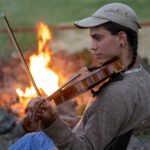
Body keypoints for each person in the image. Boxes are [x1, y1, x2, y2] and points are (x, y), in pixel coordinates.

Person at [9, 2, 150, 150]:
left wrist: (53, 124)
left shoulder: (115, 95)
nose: (92, 46)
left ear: (121, 38)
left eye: (98, 38)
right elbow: (109, 124)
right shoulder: (143, 79)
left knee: (32, 140)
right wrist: (72, 122)